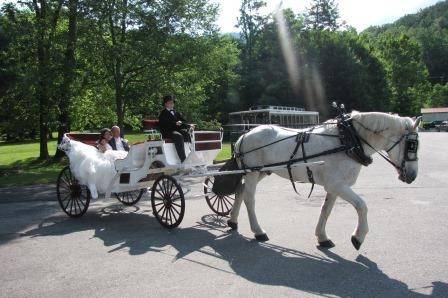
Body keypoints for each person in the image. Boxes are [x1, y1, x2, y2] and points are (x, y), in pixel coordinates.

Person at [158, 94, 193, 162]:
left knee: (187, 134)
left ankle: (191, 154)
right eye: (170, 102)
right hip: (167, 131)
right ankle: (183, 159)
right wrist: (175, 123)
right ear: (166, 104)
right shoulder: (163, 113)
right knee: (178, 136)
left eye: (173, 102)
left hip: (176, 130)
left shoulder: (176, 112)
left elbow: (183, 121)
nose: (172, 104)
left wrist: (189, 126)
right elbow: (164, 124)